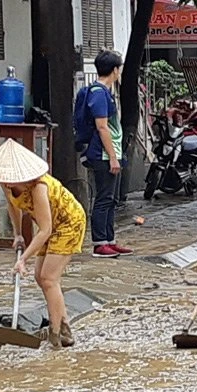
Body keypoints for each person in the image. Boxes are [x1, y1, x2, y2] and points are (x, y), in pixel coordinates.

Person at [0, 139, 87, 349]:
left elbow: (45, 229)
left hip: (68, 222)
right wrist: (18, 234)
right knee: (40, 277)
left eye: (13, 179)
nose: (8, 184)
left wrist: (23, 259)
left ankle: (55, 334)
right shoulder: (7, 183)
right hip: (48, 224)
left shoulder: (39, 187)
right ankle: (64, 327)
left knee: (48, 278)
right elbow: (13, 205)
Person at [81, 49, 132, 258]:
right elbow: (102, 127)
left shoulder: (104, 92)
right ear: (115, 70)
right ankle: (99, 243)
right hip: (103, 154)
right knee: (103, 198)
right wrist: (112, 156)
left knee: (111, 199)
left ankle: (110, 240)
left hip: (111, 152)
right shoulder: (99, 93)